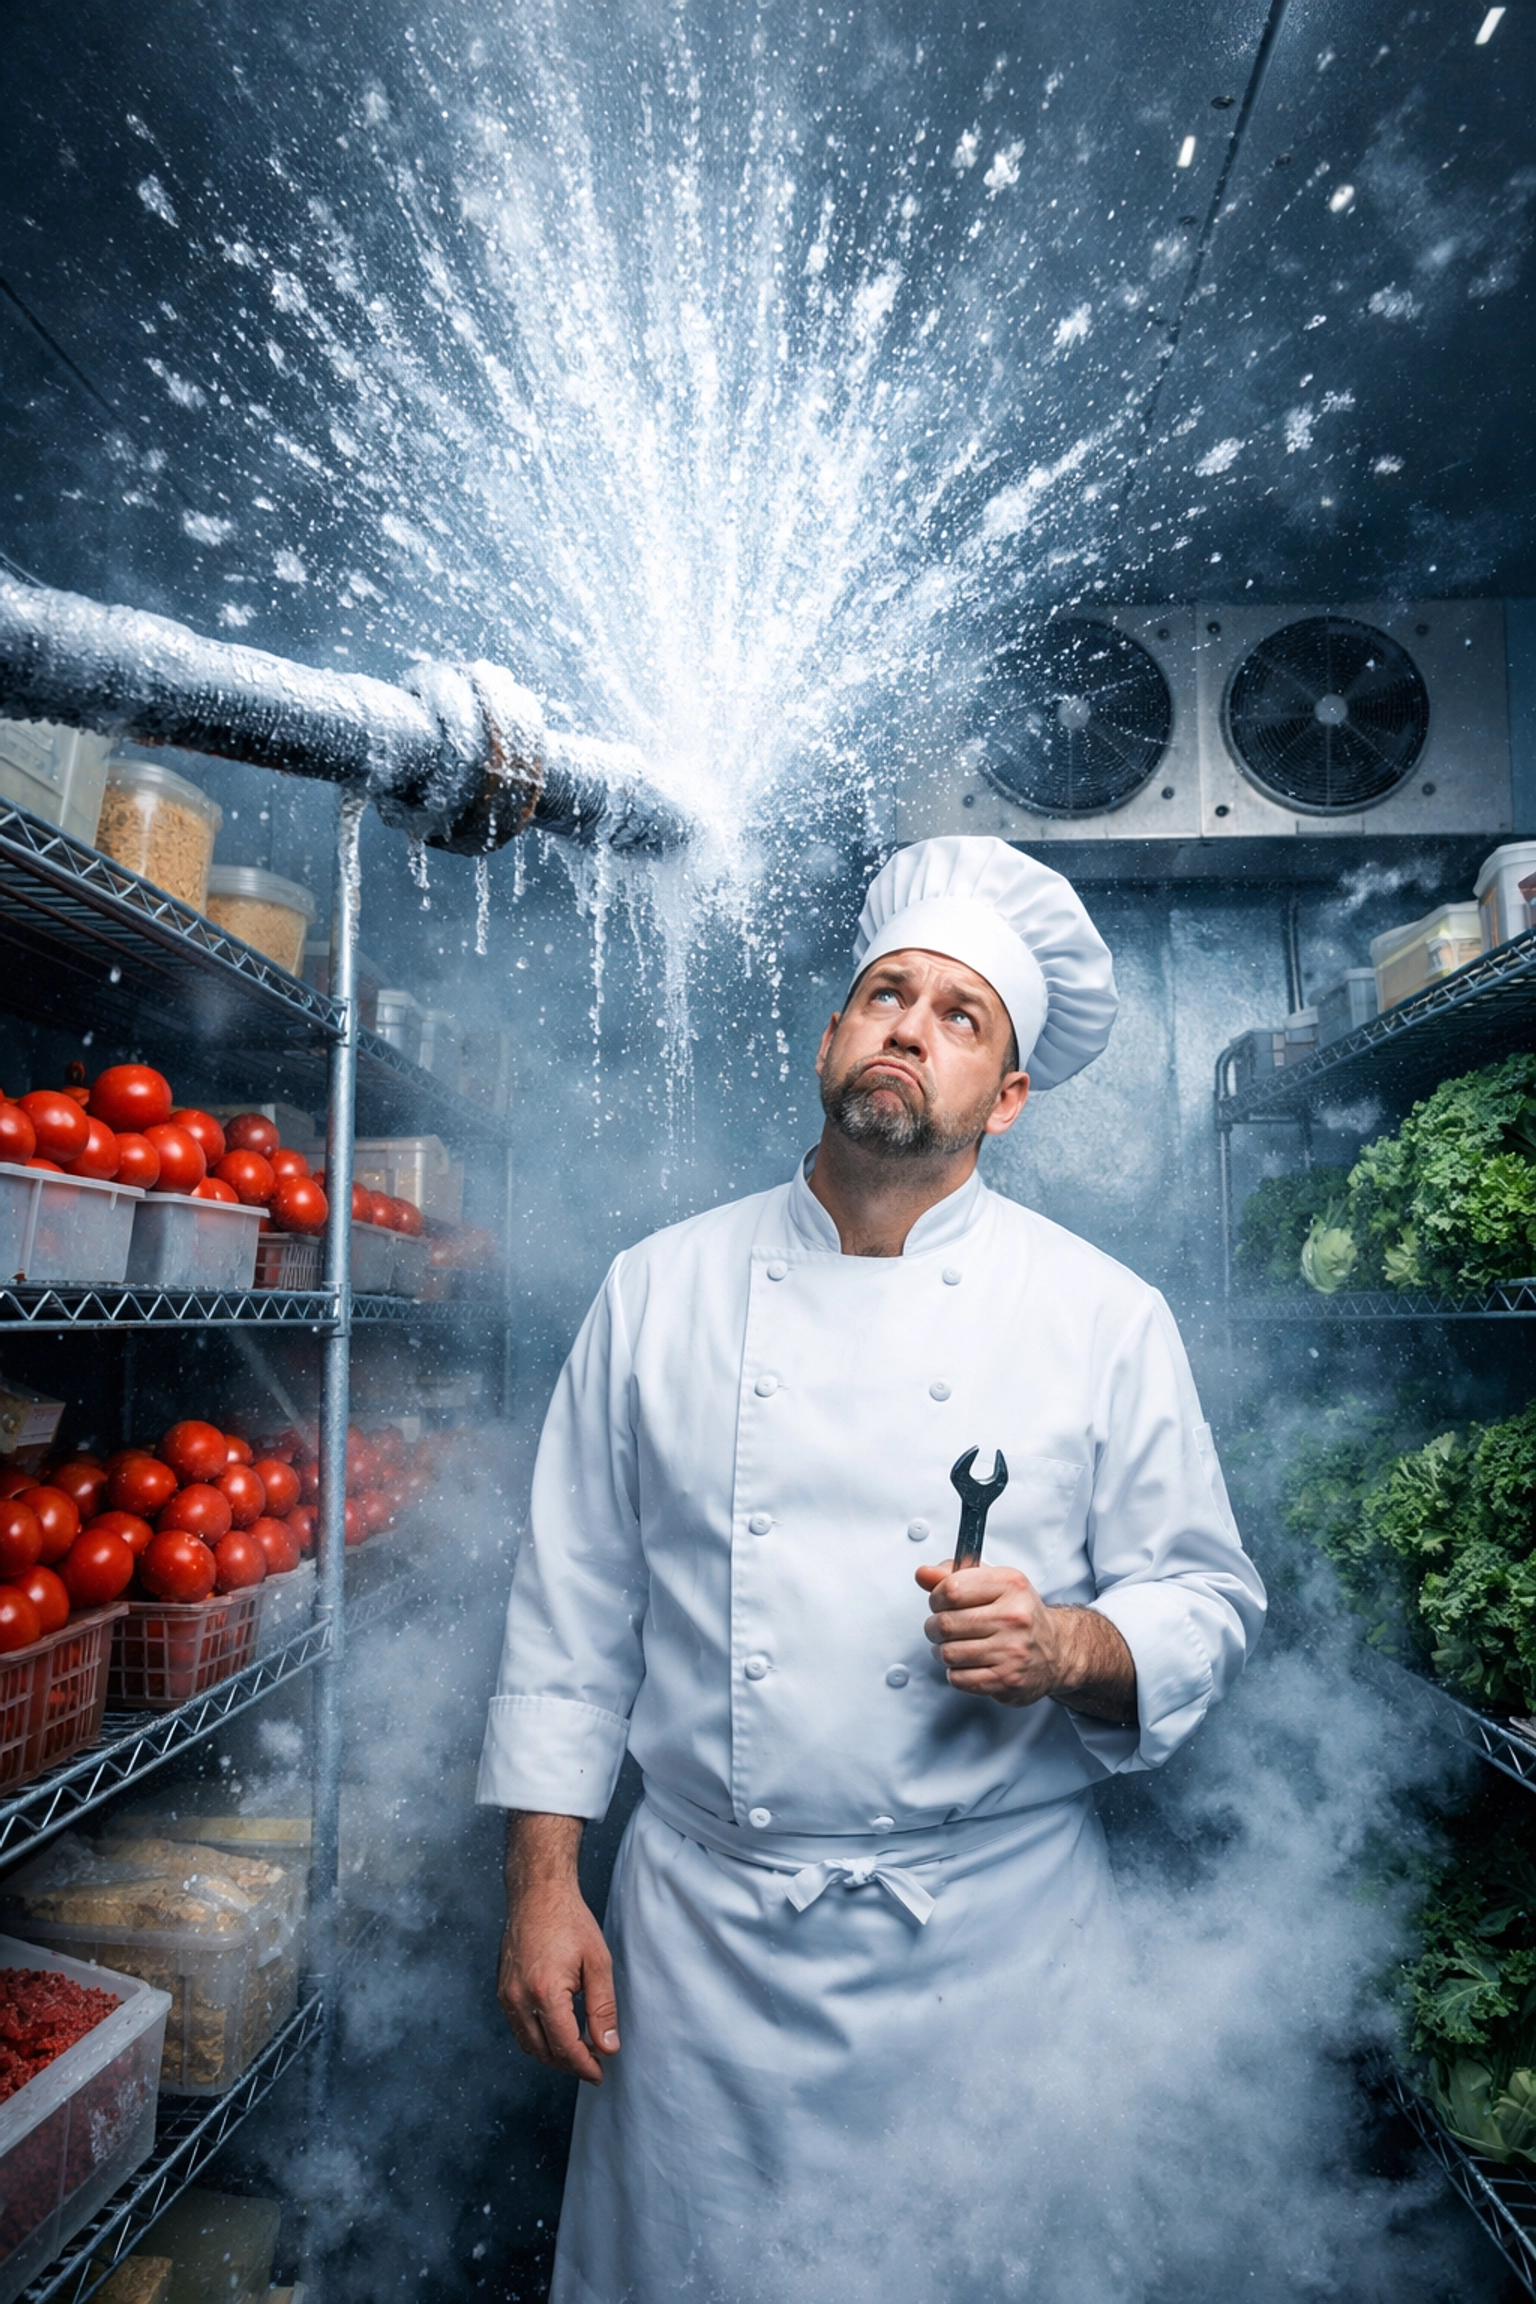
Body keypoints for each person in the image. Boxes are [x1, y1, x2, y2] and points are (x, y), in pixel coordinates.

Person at [477, 834, 1266, 2304]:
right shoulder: (658, 1289)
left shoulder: (1102, 1314)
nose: (911, 1024)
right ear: (834, 1033)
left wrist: (1070, 1647)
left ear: (1007, 1097)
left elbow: (1206, 1597)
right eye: (885, 994)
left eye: (961, 1016)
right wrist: (541, 1884)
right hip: (703, 1955)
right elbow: (570, 1614)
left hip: (997, 1958)